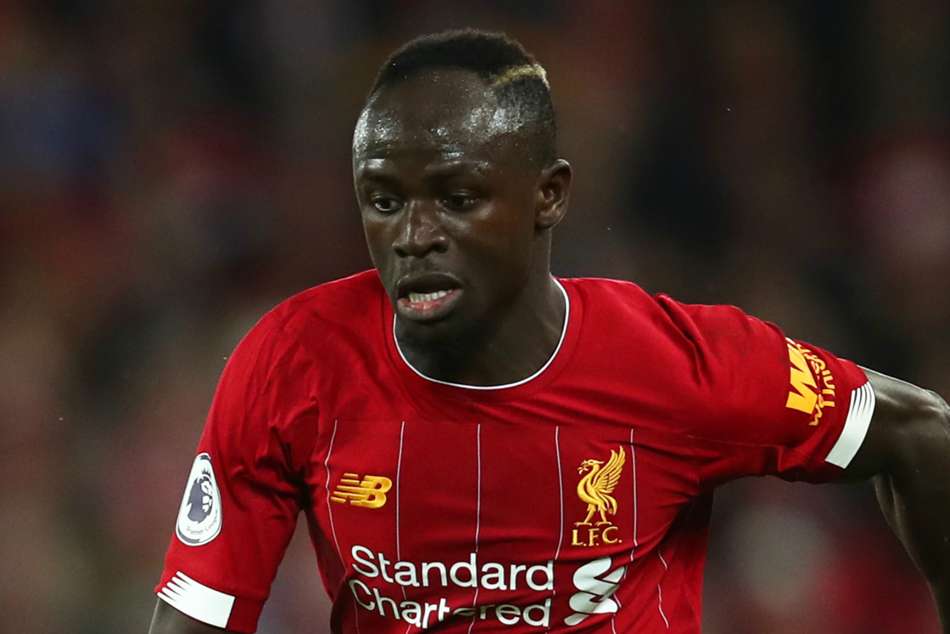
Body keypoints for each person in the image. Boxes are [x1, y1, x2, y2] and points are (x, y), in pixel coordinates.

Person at [148, 29, 950, 634]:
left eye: (458, 198)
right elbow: (197, 615)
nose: (413, 235)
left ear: (549, 196)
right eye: (384, 200)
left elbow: (920, 434)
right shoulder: (293, 362)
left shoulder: (676, 365)